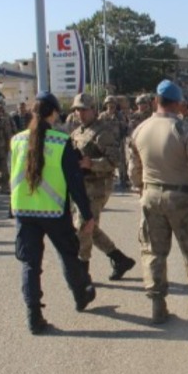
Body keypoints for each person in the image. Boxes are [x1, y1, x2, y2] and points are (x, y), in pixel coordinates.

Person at [128, 80, 188, 324]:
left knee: (153, 250)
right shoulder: (184, 129)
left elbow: (133, 169)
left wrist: (140, 188)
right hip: (180, 196)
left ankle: (158, 304)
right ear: (177, 104)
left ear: (156, 101)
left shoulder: (139, 130)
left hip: (151, 195)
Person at [10, 91, 97, 334]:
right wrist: (87, 213)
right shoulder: (61, 142)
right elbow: (75, 181)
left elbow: (12, 173)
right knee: (69, 255)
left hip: (24, 211)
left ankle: (33, 317)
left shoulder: (16, 140)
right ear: (54, 113)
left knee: (30, 264)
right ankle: (81, 296)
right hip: (53, 210)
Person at [69, 93, 136, 280]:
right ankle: (119, 258)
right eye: (77, 110)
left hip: (98, 185)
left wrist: (91, 164)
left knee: (84, 227)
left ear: (93, 110)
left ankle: (82, 273)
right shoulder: (77, 133)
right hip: (81, 186)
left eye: (84, 109)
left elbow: (114, 161)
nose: (80, 114)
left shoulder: (102, 132)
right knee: (89, 226)